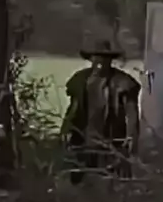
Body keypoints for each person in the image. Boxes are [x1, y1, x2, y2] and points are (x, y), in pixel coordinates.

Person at [60, 40, 141, 184]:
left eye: (105, 58)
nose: (100, 62)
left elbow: (132, 112)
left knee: (113, 181)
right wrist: (66, 129)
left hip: (112, 140)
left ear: (110, 61)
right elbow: (73, 108)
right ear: (91, 59)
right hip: (84, 139)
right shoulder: (80, 80)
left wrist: (131, 135)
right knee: (79, 180)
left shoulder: (122, 83)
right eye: (97, 58)